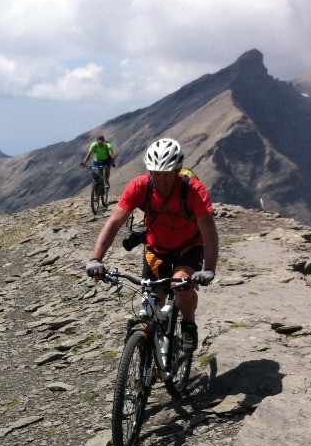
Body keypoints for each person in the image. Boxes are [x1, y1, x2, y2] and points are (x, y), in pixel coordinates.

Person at [85, 138, 218, 352]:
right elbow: (114, 223)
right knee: (148, 311)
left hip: (188, 248)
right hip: (156, 250)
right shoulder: (140, 187)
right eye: (156, 174)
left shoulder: (193, 190)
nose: (161, 180)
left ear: (177, 170)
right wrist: (96, 258)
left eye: (166, 174)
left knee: (180, 286)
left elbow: (209, 231)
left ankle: (188, 324)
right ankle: (145, 362)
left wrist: (209, 269)